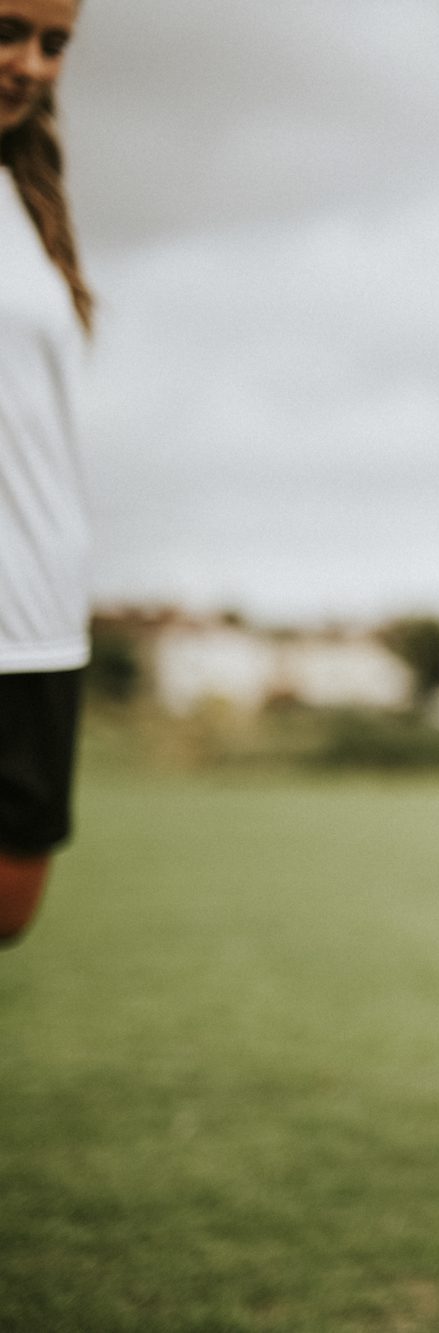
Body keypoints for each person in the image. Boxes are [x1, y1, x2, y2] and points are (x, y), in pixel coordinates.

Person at [0, 0, 90, 946]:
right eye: (7, 32)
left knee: (10, 913)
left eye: (53, 43)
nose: (29, 64)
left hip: (38, 626)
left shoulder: (30, 199)